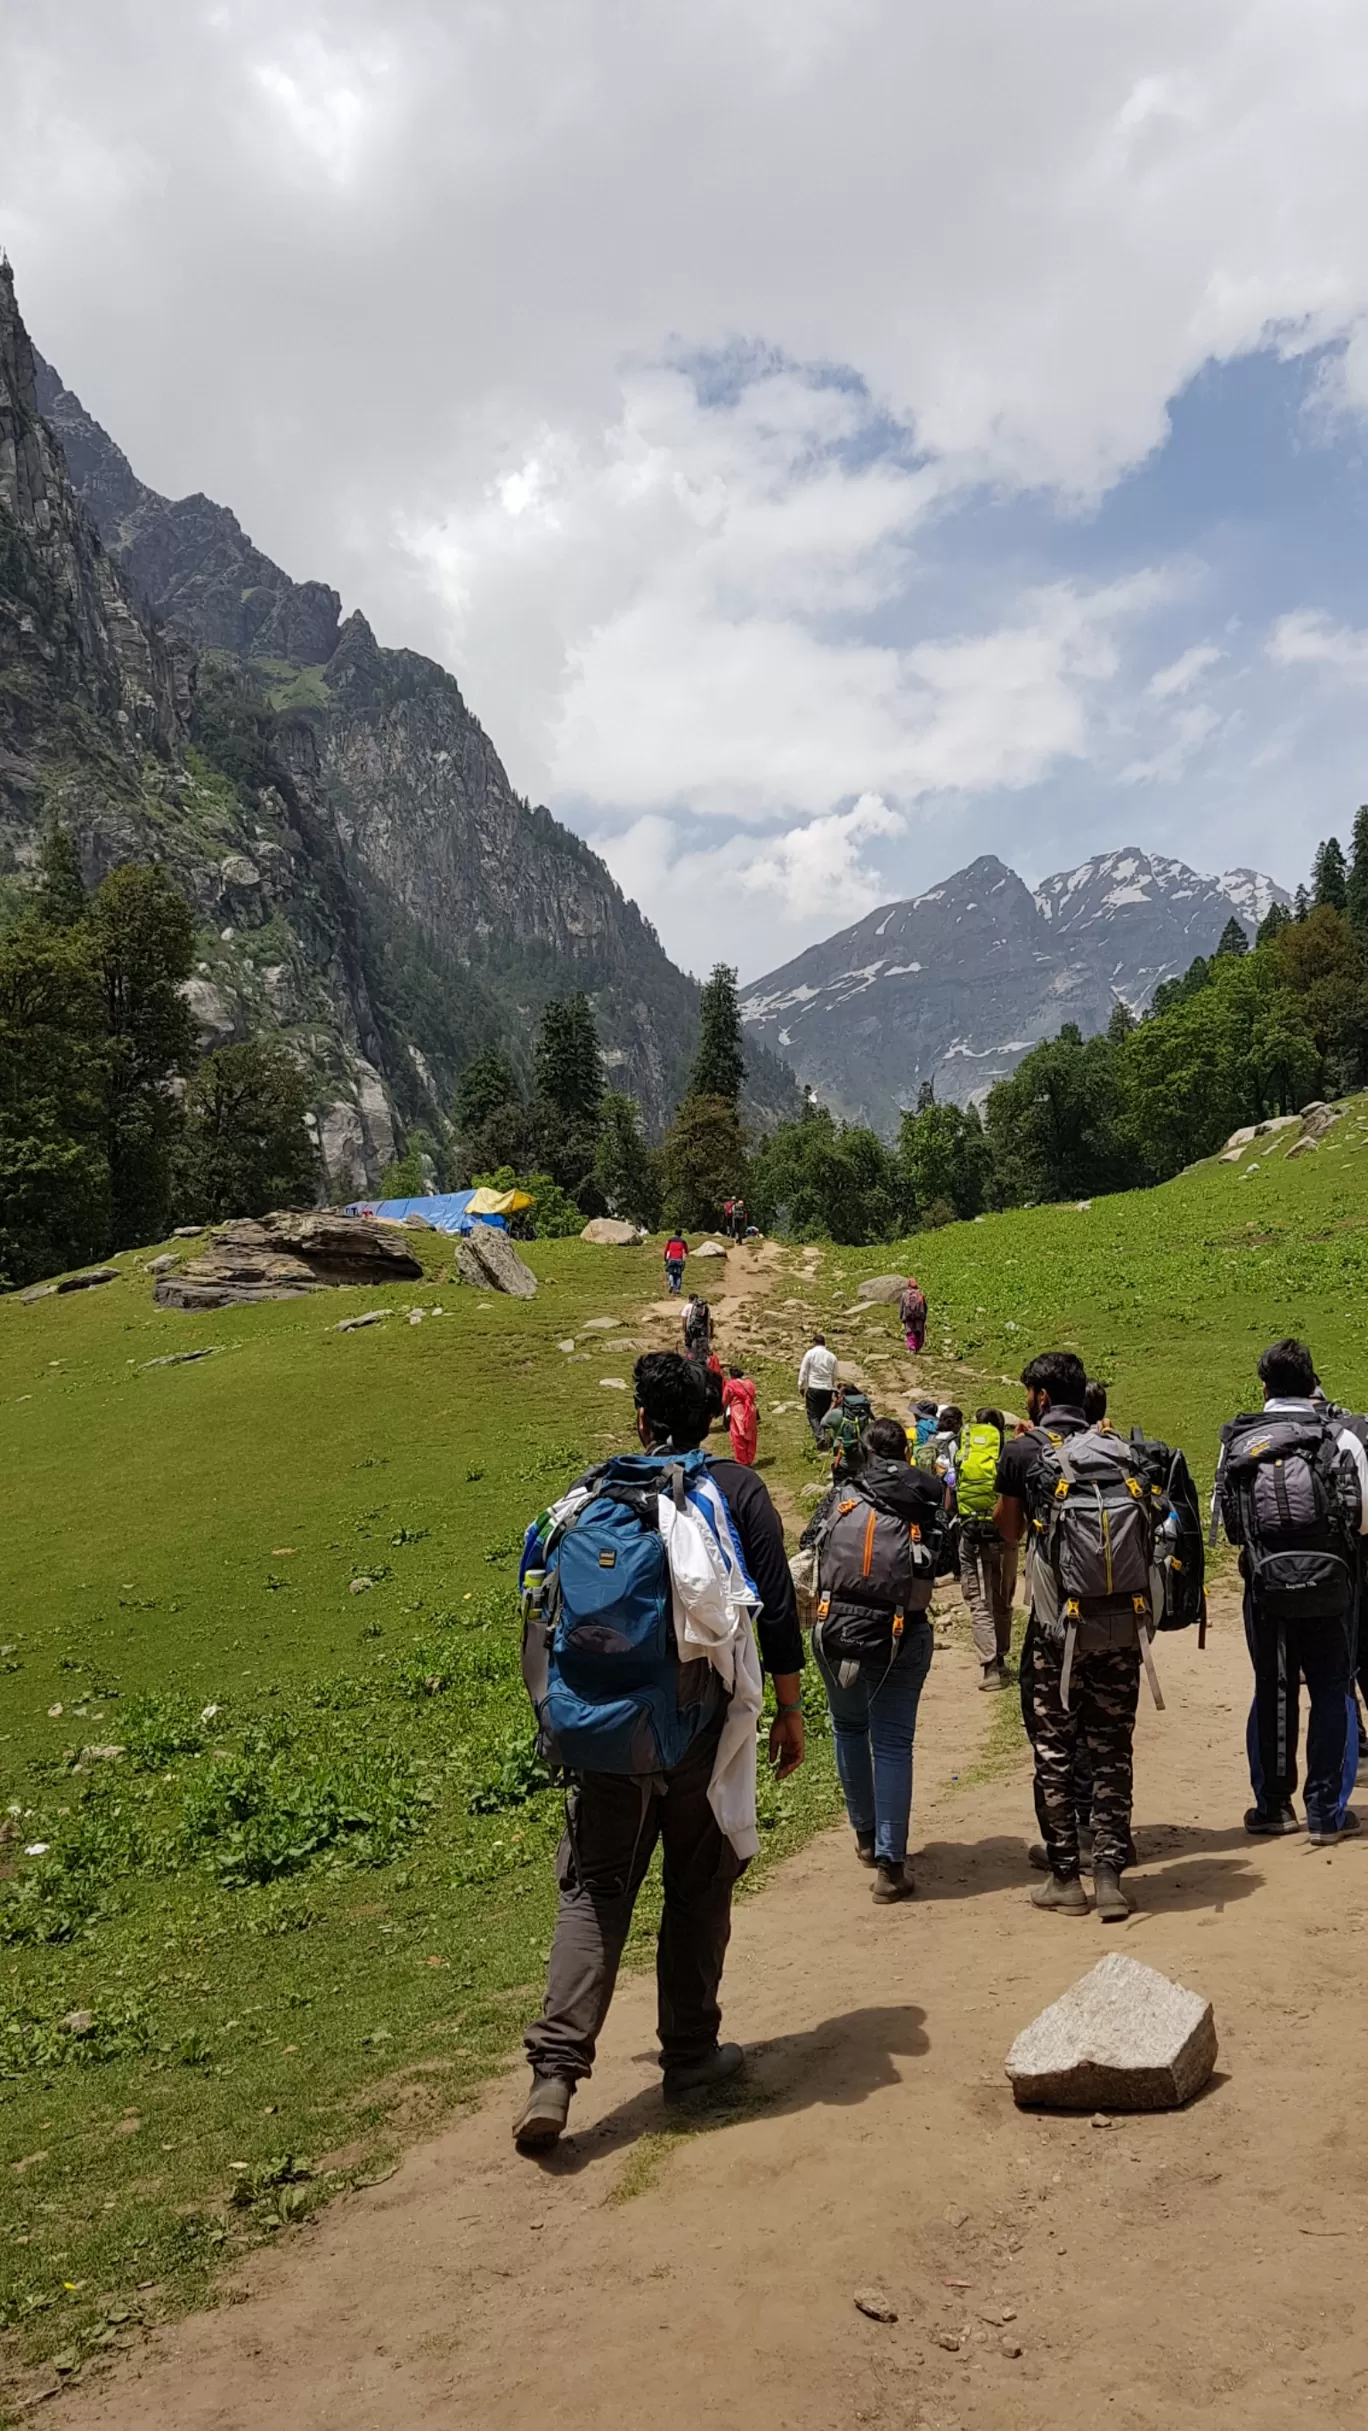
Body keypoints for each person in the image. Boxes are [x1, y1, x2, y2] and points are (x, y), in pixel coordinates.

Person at [514, 1352, 804, 2150]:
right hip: (696, 1733)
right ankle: (690, 2056)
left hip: (602, 1733)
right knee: (698, 1883)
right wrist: (787, 1709)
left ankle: (554, 2074)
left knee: (594, 1892)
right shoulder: (734, 1489)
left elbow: (536, 1595)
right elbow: (775, 1604)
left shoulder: (590, 1494)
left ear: (641, 1419)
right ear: (715, 1417)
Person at [996, 1349, 1138, 1921]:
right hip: (1123, 1628)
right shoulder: (1120, 1453)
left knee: (1055, 1750)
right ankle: (1108, 1876)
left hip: (1058, 1631)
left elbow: (1006, 1533)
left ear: (1043, 1398)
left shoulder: (1026, 1453)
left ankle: (1064, 1879)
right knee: (1112, 1750)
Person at [1213, 1338, 1368, 1846]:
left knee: (1272, 1688)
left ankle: (1274, 1806)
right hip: (1334, 1585)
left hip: (1265, 1585)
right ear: (1312, 1383)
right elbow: (1364, 1519)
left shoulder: (1238, 1439)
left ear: (1264, 1388)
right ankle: (1326, 1812)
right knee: (1332, 1688)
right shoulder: (1341, 1436)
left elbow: (1230, 1524)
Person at [811, 1417, 943, 1901]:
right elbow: (941, 1561)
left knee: (848, 1728)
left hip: (835, 1629)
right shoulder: (923, 1500)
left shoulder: (841, 1495)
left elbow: (810, 1544)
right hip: (900, 1633)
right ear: (907, 1452)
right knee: (892, 1744)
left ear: (864, 1451)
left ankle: (865, 1838)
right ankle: (890, 1867)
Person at [954, 1406, 1017, 1690]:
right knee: (1003, 1597)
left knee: (980, 1600)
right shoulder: (1009, 1457)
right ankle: (1001, 1657)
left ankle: (989, 1667)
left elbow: (950, 1494)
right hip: (1005, 1536)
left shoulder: (963, 1454)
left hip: (972, 1534)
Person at [821, 1384, 871, 1482]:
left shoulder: (837, 1414)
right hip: (863, 1458)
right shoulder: (864, 1413)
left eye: (838, 1394)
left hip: (842, 1459)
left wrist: (833, 1405)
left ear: (842, 1397)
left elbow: (823, 1423)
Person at [798, 1332, 838, 1440]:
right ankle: (824, 1434)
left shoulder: (810, 1353)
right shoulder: (832, 1356)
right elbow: (834, 1374)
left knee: (813, 1414)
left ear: (814, 1342)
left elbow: (804, 1371)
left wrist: (801, 1386)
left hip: (814, 1387)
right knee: (824, 1413)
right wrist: (831, 1385)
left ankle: (820, 1436)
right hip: (827, 1388)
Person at [721, 1365, 759, 1467]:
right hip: (751, 1410)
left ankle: (742, 1460)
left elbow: (725, 1400)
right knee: (751, 1435)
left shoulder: (730, 1385)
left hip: (738, 1411)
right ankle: (749, 1458)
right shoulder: (749, 1383)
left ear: (731, 1375)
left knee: (738, 1436)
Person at [899, 1276, 927, 1355]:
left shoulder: (905, 1294)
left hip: (908, 1317)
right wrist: (924, 1317)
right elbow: (925, 1306)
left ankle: (912, 1348)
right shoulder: (920, 1293)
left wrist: (901, 1316)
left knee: (910, 1332)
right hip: (919, 1317)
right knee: (918, 1332)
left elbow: (902, 1306)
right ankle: (917, 1348)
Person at [682, 1294, 712, 1361]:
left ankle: (689, 1359)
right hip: (702, 1332)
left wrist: (684, 1330)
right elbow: (710, 1321)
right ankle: (701, 1361)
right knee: (702, 1349)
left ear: (689, 1299)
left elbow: (684, 1319)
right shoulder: (705, 1308)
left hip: (690, 1330)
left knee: (689, 1346)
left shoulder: (688, 1306)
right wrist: (710, 1333)